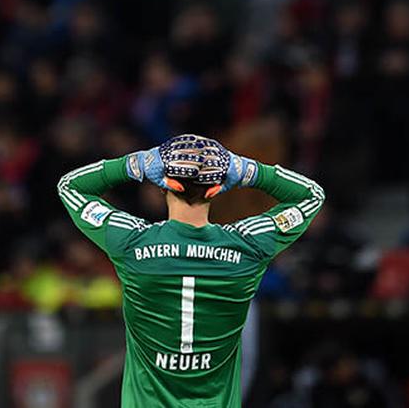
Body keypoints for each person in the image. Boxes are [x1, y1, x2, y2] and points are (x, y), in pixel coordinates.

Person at [57, 133, 325, 407]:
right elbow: (311, 196)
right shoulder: (247, 246)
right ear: (215, 190)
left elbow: (70, 186)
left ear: (164, 184)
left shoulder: (131, 242)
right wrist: (249, 171)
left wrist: (134, 164)